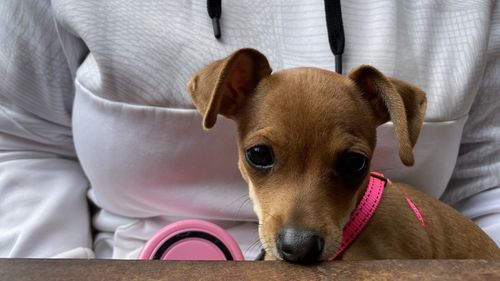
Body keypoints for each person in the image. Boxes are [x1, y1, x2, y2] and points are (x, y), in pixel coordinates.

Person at [0, 0, 498, 259]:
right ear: (229, 96)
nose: (300, 229)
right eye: (263, 157)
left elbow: (488, 181)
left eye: (349, 165)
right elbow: (20, 143)